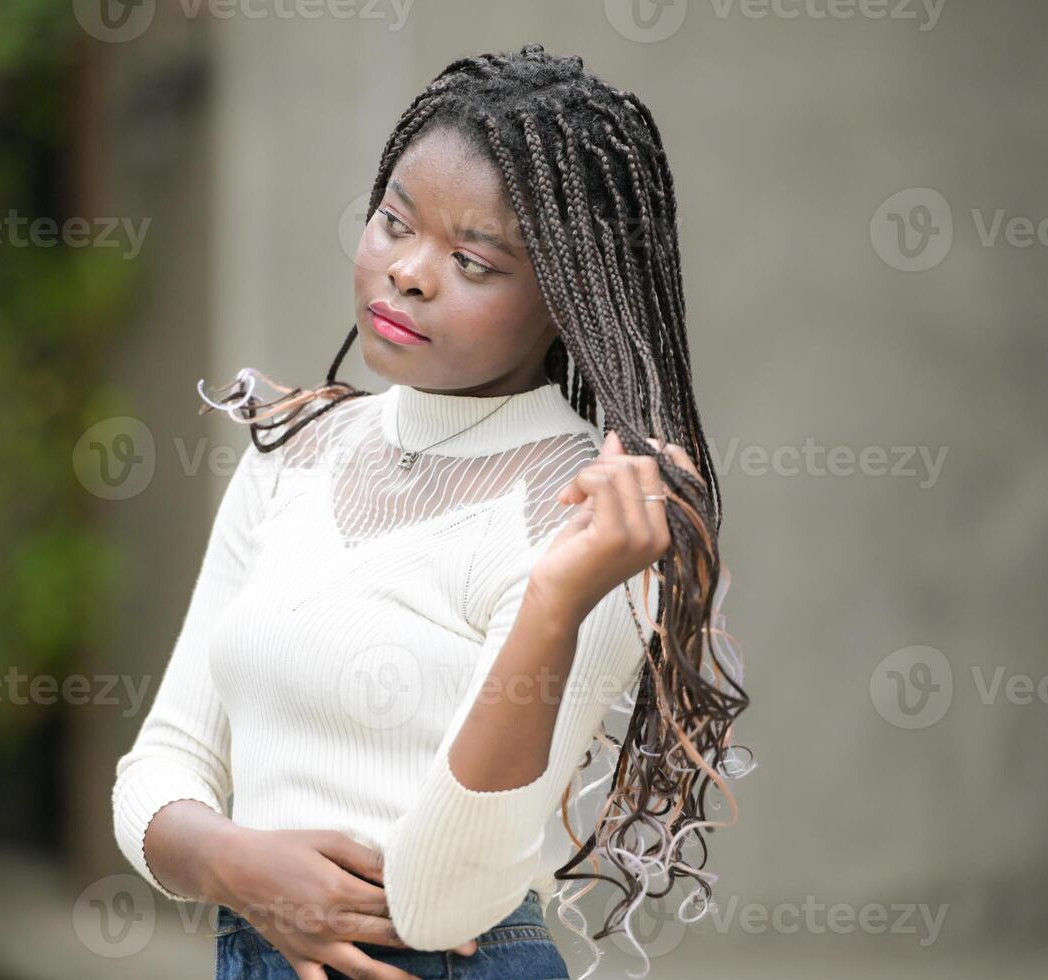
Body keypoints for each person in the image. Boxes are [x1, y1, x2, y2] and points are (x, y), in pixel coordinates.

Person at [112, 42, 751, 980]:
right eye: (393, 222)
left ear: (566, 300)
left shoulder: (589, 520)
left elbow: (442, 902)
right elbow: (157, 772)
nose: (409, 272)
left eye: (475, 262)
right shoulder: (294, 454)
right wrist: (241, 867)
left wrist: (554, 604)